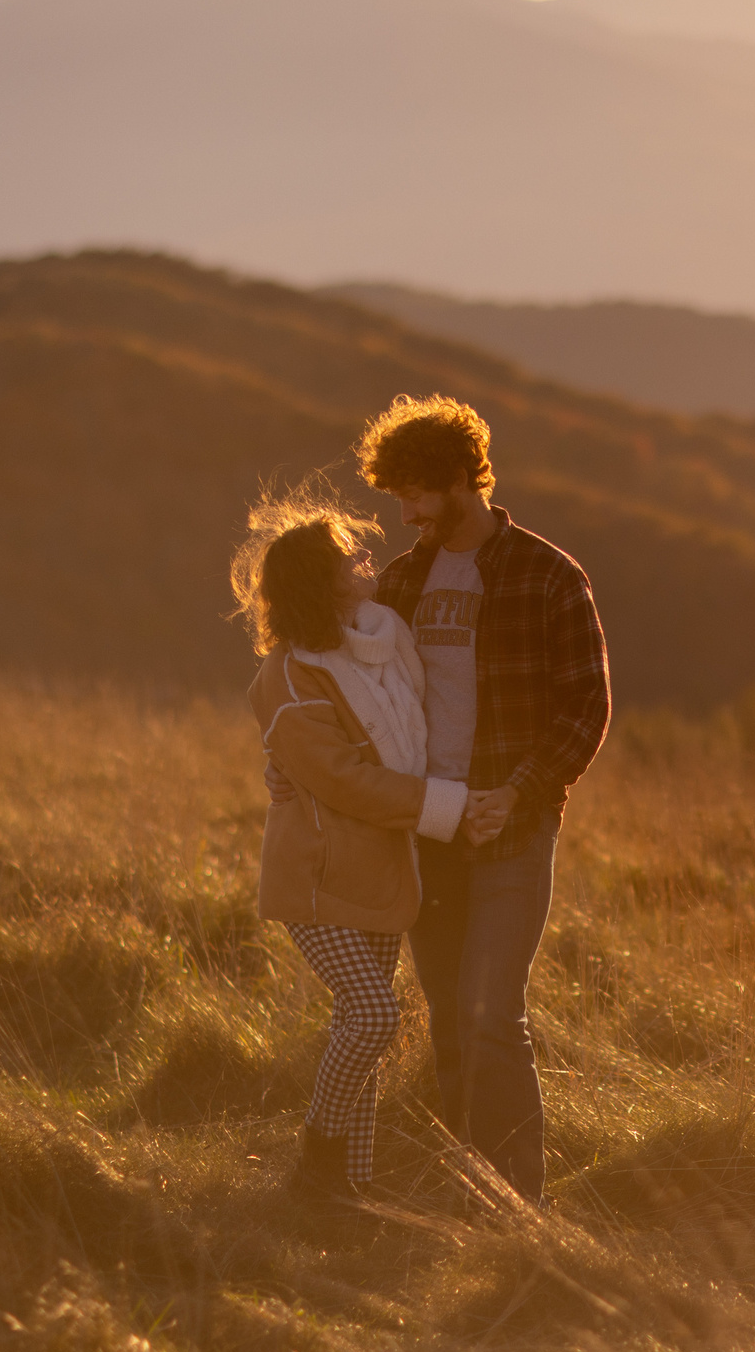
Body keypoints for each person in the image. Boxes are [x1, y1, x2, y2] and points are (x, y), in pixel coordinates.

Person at [271, 393, 610, 1206]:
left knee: (495, 1015)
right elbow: (332, 676)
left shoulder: (549, 575)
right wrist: (282, 755)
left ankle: (516, 1204)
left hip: (512, 829)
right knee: (453, 1022)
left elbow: (585, 708)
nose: (407, 513)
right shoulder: (401, 581)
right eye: (398, 496)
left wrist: (519, 792)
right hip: (426, 834)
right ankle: (466, 1186)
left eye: (419, 494)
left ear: (465, 479)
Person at [233, 492, 469, 1205]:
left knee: (359, 1031)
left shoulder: (380, 645)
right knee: (372, 1016)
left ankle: (353, 1188)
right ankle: (318, 1157)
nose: (364, 560)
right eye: (348, 556)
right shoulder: (287, 676)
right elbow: (344, 780)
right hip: (318, 878)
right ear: (319, 581)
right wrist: (450, 809)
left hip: (382, 871)